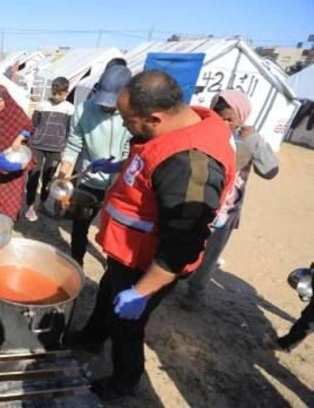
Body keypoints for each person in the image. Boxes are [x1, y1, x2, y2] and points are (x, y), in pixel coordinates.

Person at [63, 71, 236, 400]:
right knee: (106, 295)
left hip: (149, 265)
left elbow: (182, 246)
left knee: (127, 326)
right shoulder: (176, 123)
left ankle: (123, 381)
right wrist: (119, 167)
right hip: (127, 253)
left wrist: (141, 292)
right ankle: (90, 339)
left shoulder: (189, 164)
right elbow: (151, 164)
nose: (125, 126)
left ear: (154, 118)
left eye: (128, 120)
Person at [181, 89, 279, 310]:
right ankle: (171, 280)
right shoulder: (200, 132)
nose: (224, 123)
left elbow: (271, 171)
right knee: (183, 245)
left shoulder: (246, 142)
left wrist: (254, 139)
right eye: (219, 116)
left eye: (230, 119)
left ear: (241, 119)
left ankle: (195, 293)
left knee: (210, 256)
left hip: (224, 213)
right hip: (196, 204)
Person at [57, 65, 133, 267]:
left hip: (120, 184)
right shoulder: (83, 110)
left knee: (113, 229)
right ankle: (77, 263)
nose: (106, 108)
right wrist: (64, 175)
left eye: (112, 103)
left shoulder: (132, 116)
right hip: (88, 180)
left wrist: (117, 172)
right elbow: (73, 145)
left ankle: (112, 263)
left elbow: (130, 152)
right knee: (80, 226)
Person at [25, 76, 74, 221]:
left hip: (56, 148)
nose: (57, 96)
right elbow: (34, 123)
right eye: (54, 93)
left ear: (66, 92)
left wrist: (66, 150)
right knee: (33, 175)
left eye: (60, 94)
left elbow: (70, 130)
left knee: (48, 178)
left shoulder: (70, 109)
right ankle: (30, 206)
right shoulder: (42, 105)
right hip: (38, 145)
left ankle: (42, 203)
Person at [0, 85, 34, 221]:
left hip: (13, 161)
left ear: (6, 100)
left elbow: (28, 126)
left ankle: (6, 223)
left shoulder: (15, 112)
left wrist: (19, 138)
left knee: (11, 200)